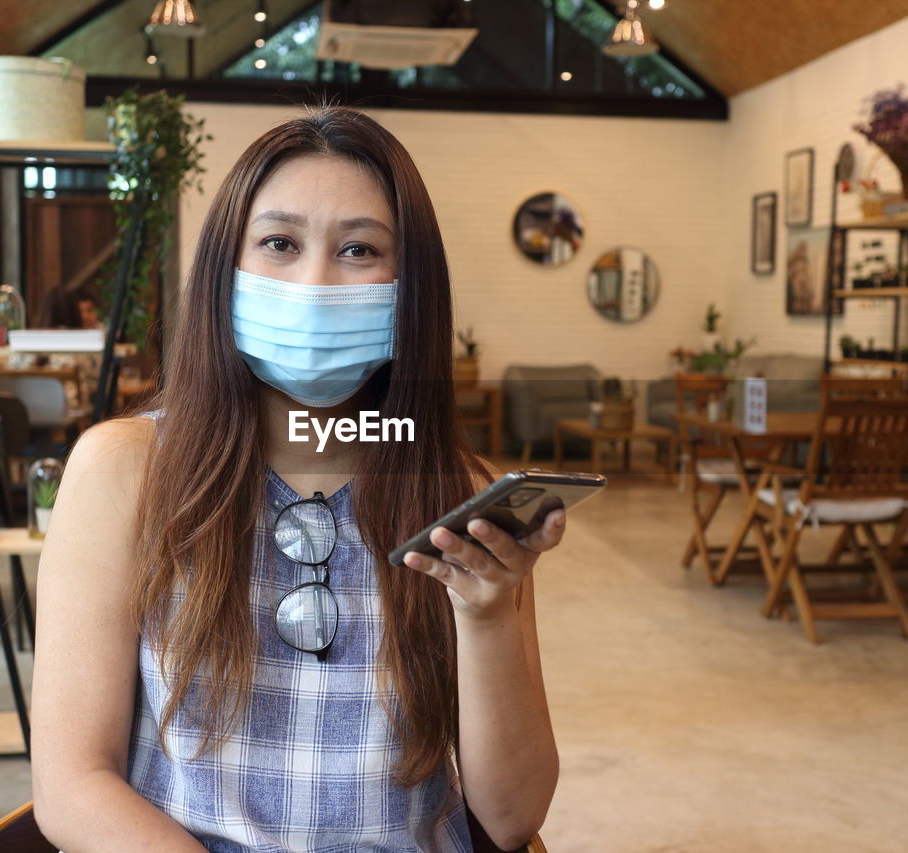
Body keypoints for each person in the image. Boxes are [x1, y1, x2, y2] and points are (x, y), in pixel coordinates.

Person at [30, 106, 562, 852]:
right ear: (226, 268)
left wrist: (487, 616)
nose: (315, 283)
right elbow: (71, 784)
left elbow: (511, 817)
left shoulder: (458, 493)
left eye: (359, 249)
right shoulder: (124, 469)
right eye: (279, 242)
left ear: (412, 287)